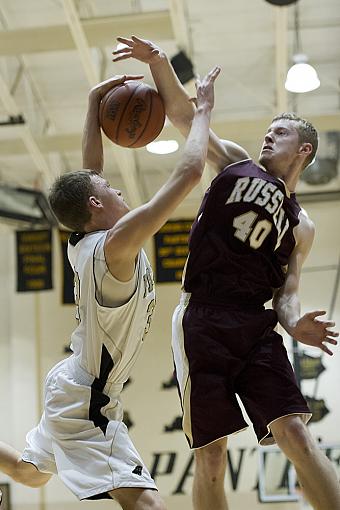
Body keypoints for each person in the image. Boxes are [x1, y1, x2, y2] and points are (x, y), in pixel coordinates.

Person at [113, 36, 340, 510]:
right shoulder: (235, 164)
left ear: (304, 150)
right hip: (203, 319)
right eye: (268, 131)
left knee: (296, 433)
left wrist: (295, 323)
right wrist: (158, 63)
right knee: (212, 456)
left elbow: (286, 293)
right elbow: (179, 115)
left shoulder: (302, 225)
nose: (267, 137)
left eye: (278, 133)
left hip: (255, 325)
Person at [0, 67, 220, 509]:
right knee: (141, 503)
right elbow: (191, 173)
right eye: (111, 189)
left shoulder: (85, 239)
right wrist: (202, 113)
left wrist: (91, 106)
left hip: (77, 383)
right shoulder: (116, 245)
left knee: (35, 474)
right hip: (86, 397)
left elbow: (89, 174)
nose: (119, 190)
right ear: (97, 206)